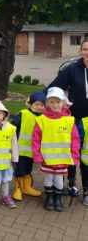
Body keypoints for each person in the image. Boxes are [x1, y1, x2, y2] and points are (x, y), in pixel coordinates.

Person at [47, 38, 88, 198]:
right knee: (71, 153)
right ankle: (70, 185)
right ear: (81, 51)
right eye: (85, 49)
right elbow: (54, 87)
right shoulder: (72, 69)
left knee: (86, 156)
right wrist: (35, 98)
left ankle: (86, 189)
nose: (87, 53)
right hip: (74, 120)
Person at [32, 87, 80, 212]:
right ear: (47, 103)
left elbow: (75, 140)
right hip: (47, 158)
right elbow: (36, 139)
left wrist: (75, 157)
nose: (55, 105)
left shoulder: (69, 120)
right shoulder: (42, 120)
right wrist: (37, 155)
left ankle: (57, 198)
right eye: (51, 102)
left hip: (63, 158)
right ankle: (49, 197)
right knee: (49, 178)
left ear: (63, 103)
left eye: (58, 102)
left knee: (58, 179)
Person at [11, 91, 46, 201]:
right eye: (37, 104)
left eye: (42, 105)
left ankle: (26, 187)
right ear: (30, 104)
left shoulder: (44, 117)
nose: (39, 107)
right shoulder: (23, 114)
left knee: (28, 169)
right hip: (21, 149)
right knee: (20, 169)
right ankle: (17, 189)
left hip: (33, 150)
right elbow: (12, 127)